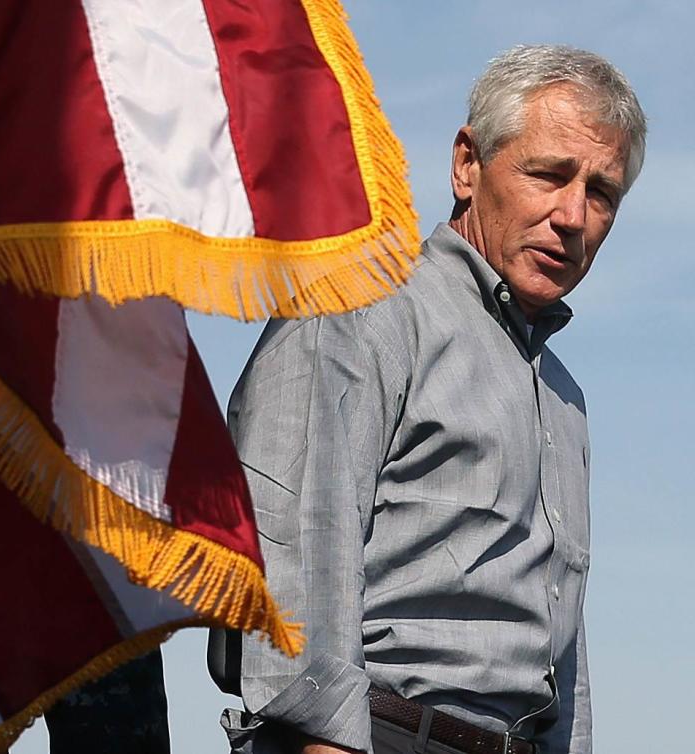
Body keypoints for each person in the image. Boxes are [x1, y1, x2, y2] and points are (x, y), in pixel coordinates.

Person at [208, 45, 646, 754]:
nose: (573, 215)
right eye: (549, 174)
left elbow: (560, 654)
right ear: (467, 165)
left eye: (602, 193)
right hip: (379, 737)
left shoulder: (563, 398)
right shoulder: (360, 311)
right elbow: (294, 570)